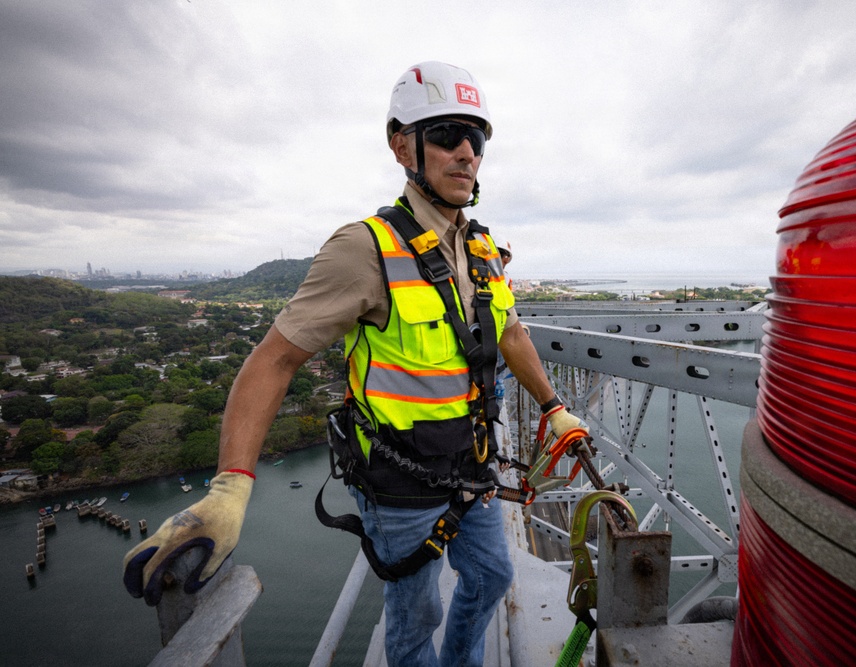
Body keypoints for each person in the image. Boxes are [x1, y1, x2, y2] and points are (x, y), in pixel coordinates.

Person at [122, 61, 586, 667]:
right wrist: (230, 488)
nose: (466, 152)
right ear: (402, 146)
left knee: (492, 577)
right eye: (446, 134)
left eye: (476, 138)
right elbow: (275, 359)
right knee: (415, 615)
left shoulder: (481, 249)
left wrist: (554, 408)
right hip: (400, 480)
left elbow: (511, 332)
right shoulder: (364, 249)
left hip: (472, 465)